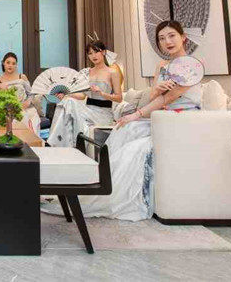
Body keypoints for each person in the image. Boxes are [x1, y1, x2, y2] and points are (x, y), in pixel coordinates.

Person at [44, 20, 202, 220]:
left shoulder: (191, 66)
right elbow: (155, 97)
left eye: (172, 36)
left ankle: (99, 185)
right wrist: (156, 89)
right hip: (159, 116)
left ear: (183, 37)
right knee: (122, 129)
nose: (167, 42)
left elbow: (169, 98)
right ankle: (81, 169)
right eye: (162, 38)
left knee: (130, 142)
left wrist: (136, 113)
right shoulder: (162, 66)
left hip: (180, 121)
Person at [46, 40, 122, 147]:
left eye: (96, 52)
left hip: (103, 114)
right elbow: (82, 96)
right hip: (88, 110)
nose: (93, 56)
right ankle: (59, 143)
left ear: (104, 52)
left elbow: (119, 98)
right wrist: (66, 94)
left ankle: (56, 142)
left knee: (69, 104)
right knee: (68, 101)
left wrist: (102, 93)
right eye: (90, 53)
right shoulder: (87, 72)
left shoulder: (113, 72)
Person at [0, 52, 41, 135]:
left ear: (16, 65)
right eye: (8, 62)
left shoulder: (22, 77)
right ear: (3, 63)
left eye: (13, 63)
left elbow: (31, 94)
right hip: (7, 109)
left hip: (24, 107)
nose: (10, 65)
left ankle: (31, 140)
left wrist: (27, 102)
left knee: (30, 116)